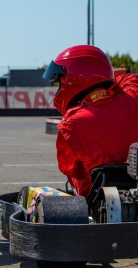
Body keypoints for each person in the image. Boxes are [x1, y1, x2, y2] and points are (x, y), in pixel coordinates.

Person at [42, 45, 138, 199]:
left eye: (59, 83)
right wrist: (108, 85)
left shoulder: (71, 124)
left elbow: (74, 173)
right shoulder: (133, 95)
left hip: (104, 202)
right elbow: (129, 78)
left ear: (73, 79)